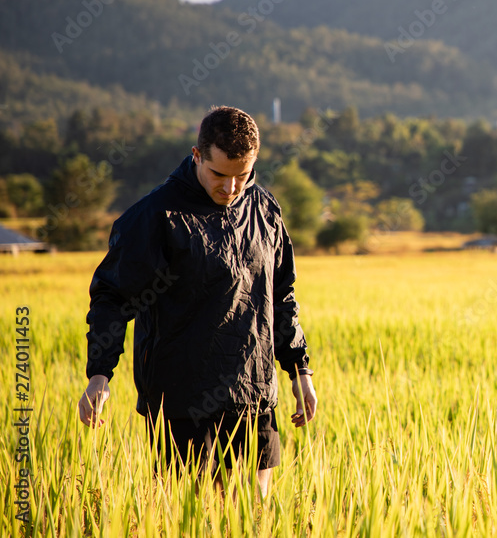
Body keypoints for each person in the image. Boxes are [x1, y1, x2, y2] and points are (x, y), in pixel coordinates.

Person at [77, 106, 317, 497]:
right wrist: (99, 375)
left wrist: (299, 370)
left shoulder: (265, 210)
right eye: (219, 175)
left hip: (254, 392)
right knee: (192, 515)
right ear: (196, 155)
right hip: (181, 400)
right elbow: (113, 297)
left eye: (243, 175)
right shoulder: (156, 215)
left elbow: (281, 294)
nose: (231, 188)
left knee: (254, 514)